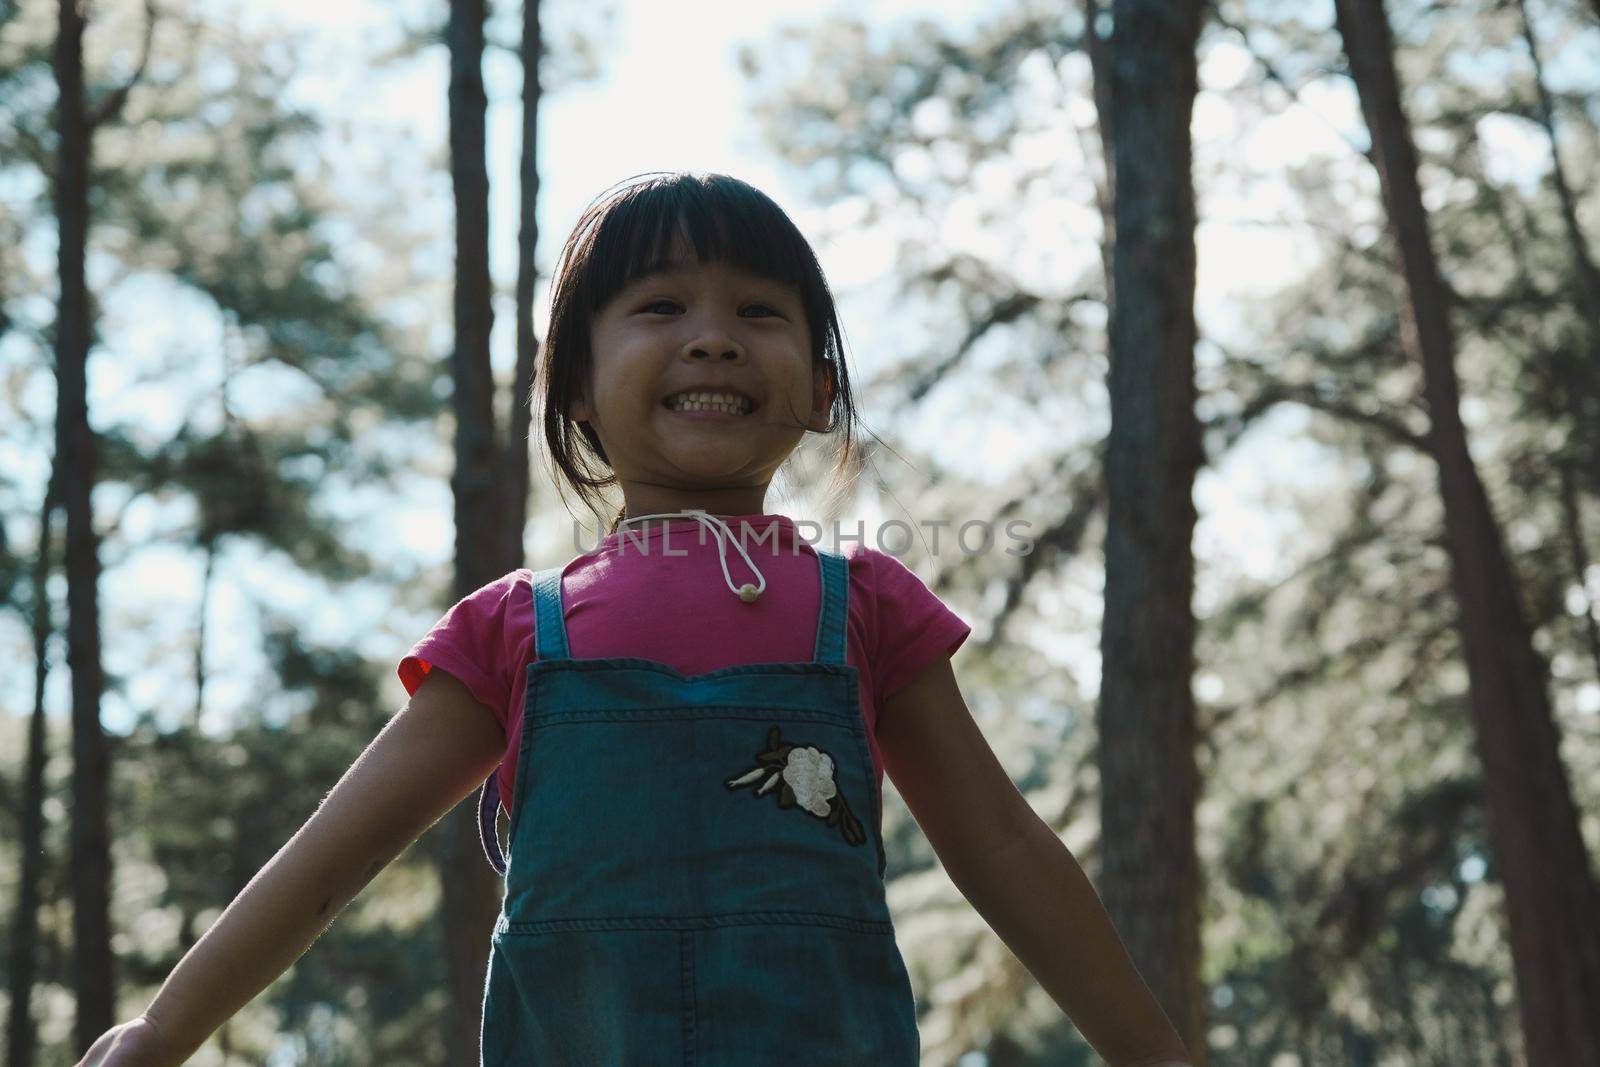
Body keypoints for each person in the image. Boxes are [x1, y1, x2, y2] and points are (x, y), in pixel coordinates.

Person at [79, 172, 1193, 1066]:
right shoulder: (513, 629)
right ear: (574, 386)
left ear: (817, 389)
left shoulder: (870, 608)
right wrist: (162, 1029)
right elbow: (334, 852)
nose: (712, 337)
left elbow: (1000, 846)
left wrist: (1157, 1055)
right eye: (660, 307)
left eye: (758, 311)